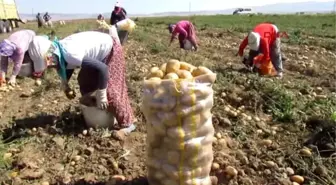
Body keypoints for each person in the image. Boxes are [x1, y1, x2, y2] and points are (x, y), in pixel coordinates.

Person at [28, 30, 136, 141]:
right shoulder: (59, 51)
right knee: (84, 79)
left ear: (50, 54)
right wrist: (66, 85)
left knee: (111, 90)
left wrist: (102, 93)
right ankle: (96, 107)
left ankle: (128, 124)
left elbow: (103, 69)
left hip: (110, 51)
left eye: (48, 62)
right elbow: (67, 66)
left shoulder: (70, 53)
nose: (50, 66)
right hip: (97, 56)